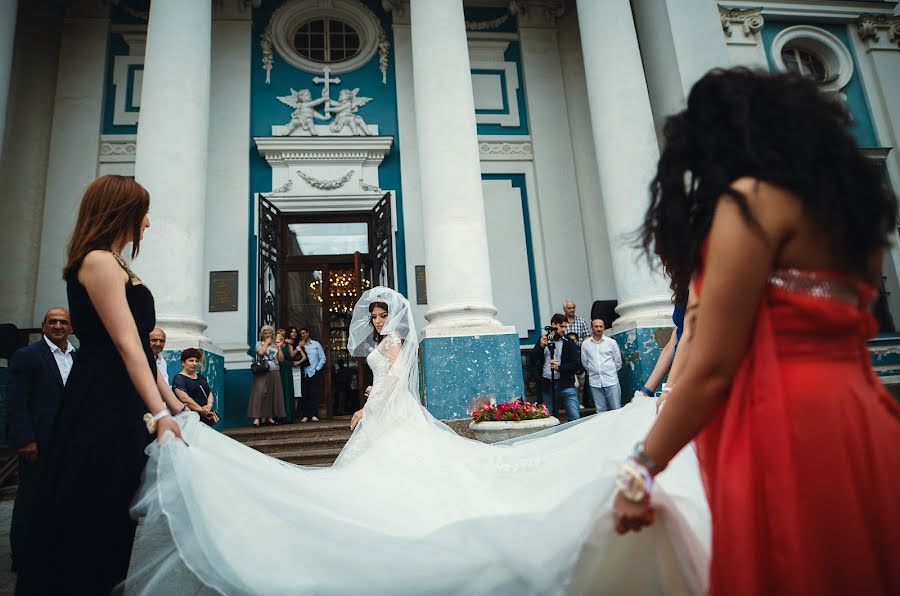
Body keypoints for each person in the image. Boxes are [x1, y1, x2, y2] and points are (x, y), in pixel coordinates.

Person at [121, 286, 711, 594]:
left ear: (391, 318)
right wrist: (363, 407)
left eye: (381, 315)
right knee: (372, 477)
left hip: (391, 414)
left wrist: (364, 409)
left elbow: (395, 381)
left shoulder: (399, 345)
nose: (376, 322)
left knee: (395, 475)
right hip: (380, 413)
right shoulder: (381, 341)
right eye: (373, 316)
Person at [613, 68, 900, 595]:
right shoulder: (856, 211)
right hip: (864, 414)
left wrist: (641, 467)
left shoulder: (752, 201)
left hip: (784, 422)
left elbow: (712, 369)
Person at [15, 175, 185, 595]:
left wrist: (172, 403)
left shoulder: (115, 263)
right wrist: (161, 413)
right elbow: (126, 345)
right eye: (142, 212)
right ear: (121, 211)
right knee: (94, 513)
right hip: (101, 405)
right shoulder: (98, 261)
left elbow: (144, 351)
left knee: (114, 515)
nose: (147, 223)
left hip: (122, 401)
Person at [7, 307, 73, 574]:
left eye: (63, 322)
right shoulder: (27, 356)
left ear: (71, 327)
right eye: (52, 321)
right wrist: (25, 439)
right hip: (38, 442)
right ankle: (22, 557)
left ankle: (55, 550)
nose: (58, 326)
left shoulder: (77, 358)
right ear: (43, 325)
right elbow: (16, 403)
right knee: (30, 499)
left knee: (61, 498)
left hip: (68, 444)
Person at [529, 313, 580, 421]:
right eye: (562, 326)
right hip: (547, 383)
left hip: (566, 383)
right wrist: (541, 347)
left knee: (574, 416)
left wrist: (559, 367)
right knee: (549, 417)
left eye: (566, 327)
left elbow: (576, 364)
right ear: (553, 325)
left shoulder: (569, 342)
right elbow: (533, 359)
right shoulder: (543, 339)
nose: (564, 329)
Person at [581, 318, 623, 413]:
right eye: (596, 326)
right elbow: (585, 362)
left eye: (601, 326)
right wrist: (594, 370)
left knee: (616, 408)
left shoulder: (611, 342)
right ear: (591, 328)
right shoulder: (586, 344)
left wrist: (610, 371)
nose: (599, 329)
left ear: (604, 327)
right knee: (600, 410)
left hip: (611, 380)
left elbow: (618, 361)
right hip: (595, 381)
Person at [247, 325, 286, 427]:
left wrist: (279, 347)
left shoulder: (275, 345)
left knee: (272, 394)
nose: (267, 335)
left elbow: (281, 359)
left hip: (275, 370)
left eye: (269, 333)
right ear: (262, 334)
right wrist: (267, 343)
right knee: (260, 393)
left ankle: (269, 417)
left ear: (272, 334)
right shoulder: (259, 343)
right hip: (263, 371)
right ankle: (256, 418)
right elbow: (260, 352)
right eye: (265, 333)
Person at [172, 348, 217, 427]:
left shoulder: (200, 376)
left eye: (196, 361)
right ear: (183, 362)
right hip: (191, 417)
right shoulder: (179, 378)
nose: (194, 363)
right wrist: (202, 410)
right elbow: (185, 399)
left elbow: (209, 392)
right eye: (191, 360)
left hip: (207, 415)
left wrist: (209, 406)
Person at [299, 326, 325, 422]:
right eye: (301, 334)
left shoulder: (316, 344)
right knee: (305, 394)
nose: (303, 335)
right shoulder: (300, 345)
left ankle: (314, 414)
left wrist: (317, 369)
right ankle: (306, 415)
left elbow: (322, 357)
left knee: (314, 393)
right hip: (304, 373)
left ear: (308, 333)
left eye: (304, 333)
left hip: (314, 372)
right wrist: (300, 347)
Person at [276, 328, 296, 422]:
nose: (281, 337)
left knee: (288, 389)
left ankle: (290, 416)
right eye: (279, 335)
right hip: (278, 368)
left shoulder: (289, 345)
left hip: (287, 368)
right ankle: (280, 416)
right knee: (279, 391)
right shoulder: (275, 346)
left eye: (283, 335)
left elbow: (292, 355)